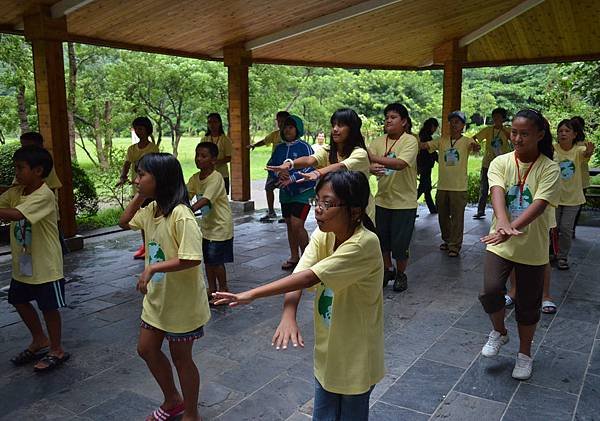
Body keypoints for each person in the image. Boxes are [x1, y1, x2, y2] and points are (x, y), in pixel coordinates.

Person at [213, 171, 384, 421]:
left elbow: (308, 278)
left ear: (355, 210)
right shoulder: (325, 234)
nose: (318, 210)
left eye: (328, 203)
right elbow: (301, 270)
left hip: (356, 356)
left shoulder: (364, 244)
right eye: (317, 201)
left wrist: (249, 294)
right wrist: (288, 312)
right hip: (328, 351)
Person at [119, 152, 210, 421]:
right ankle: (172, 400)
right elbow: (123, 222)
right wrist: (140, 194)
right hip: (157, 300)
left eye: (141, 175)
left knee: (182, 359)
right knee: (146, 349)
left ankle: (191, 414)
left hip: (182, 304)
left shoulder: (181, 214)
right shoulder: (150, 210)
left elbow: (191, 259)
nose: (136, 180)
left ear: (161, 179)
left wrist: (152, 267)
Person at [479, 109, 559, 381]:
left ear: (539, 135)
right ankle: (500, 332)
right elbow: (497, 192)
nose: (517, 138)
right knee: (491, 291)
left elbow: (539, 205)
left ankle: (524, 355)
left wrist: (513, 228)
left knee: (527, 305)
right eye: (514, 132)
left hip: (532, 247)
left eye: (524, 134)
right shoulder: (501, 161)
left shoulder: (549, 167)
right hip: (499, 242)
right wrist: (503, 224)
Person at [1, 145, 69, 372]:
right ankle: (40, 339)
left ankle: (56, 348)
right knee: (18, 300)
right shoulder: (17, 191)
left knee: (48, 307)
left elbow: (16, 214)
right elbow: (5, 199)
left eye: (20, 168)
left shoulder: (44, 195)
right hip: (24, 263)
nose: (16, 173)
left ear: (38, 171)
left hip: (46, 265)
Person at [267, 108, 374, 223]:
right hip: (337, 211)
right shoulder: (328, 150)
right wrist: (290, 164)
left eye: (341, 125)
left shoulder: (360, 153)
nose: (335, 129)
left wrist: (317, 173)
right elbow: (309, 160)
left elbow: (341, 166)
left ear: (352, 129)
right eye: (333, 125)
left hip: (360, 213)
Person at [369, 103, 419, 292]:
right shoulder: (378, 141)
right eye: (387, 117)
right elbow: (367, 162)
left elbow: (400, 164)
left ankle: (400, 273)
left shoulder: (410, 141)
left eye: (393, 117)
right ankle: (387, 269)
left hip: (404, 203)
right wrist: (370, 164)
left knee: (401, 244)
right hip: (382, 200)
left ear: (404, 122)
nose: (388, 120)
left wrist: (373, 157)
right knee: (382, 240)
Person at [420, 111, 480, 257]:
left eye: (457, 122)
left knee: (457, 218)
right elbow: (424, 146)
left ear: (463, 126)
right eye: (451, 122)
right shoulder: (441, 140)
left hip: (459, 187)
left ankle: (455, 246)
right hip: (443, 186)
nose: (453, 125)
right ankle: (447, 240)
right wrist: (409, 137)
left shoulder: (466, 141)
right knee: (443, 216)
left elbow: (475, 147)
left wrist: (475, 146)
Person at [187, 142, 234, 305]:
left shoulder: (216, 178)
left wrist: (188, 210)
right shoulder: (195, 178)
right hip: (207, 227)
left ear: (213, 160)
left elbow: (205, 200)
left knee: (217, 261)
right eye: (197, 155)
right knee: (208, 260)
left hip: (221, 226)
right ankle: (212, 290)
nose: (198, 159)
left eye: (203, 156)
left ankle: (223, 289)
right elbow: (185, 194)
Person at [267, 115, 316, 271]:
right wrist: (278, 175)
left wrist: (293, 178)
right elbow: (270, 166)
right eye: (285, 127)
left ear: (298, 129)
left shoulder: (304, 146)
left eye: (291, 127)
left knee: (297, 224)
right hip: (285, 192)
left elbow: (311, 166)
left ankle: (307, 259)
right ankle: (294, 257)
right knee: (289, 224)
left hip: (303, 191)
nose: (287, 130)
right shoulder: (279, 148)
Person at [553, 119, 594, 270]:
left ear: (574, 134)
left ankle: (562, 257)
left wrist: (589, 152)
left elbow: (586, 154)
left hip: (573, 198)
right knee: (553, 227)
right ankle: (552, 253)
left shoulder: (577, 151)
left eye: (567, 131)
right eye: (560, 131)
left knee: (565, 229)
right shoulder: (553, 149)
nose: (563, 133)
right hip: (554, 197)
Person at [116, 117, 160, 260]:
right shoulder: (132, 149)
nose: (138, 131)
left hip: (151, 189)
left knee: (152, 217)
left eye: (141, 128)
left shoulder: (153, 148)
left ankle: (154, 246)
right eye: (136, 129)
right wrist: (123, 177)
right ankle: (146, 246)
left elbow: (157, 167)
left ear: (147, 130)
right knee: (142, 219)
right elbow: (127, 164)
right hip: (138, 189)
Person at [248, 111, 290, 222]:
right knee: (269, 188)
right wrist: (254, 145)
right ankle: (271, 212)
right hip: (274, 167)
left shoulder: (290, 135)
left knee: (285, 190)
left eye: (283, 121)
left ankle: (286, 214)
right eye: (279, 121)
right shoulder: (275, 134)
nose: (280, 123)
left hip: (286, 168)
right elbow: (265, 140)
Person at [473, 108, 512, 219]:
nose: (496, 120)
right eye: (495, 117)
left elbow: (513, 139)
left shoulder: (508, 130)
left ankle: (503, 211)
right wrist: (475, 145)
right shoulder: (488, 130)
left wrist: (503, 130)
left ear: (503, 119)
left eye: (499, 117)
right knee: (484, 188)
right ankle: (481, 210)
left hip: (503, 164)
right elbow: (474, 138)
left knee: (503, 188)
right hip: (487, 163)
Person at [203, 113, 232, 195]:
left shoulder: (225, 139)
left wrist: (216, 162)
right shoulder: (205, 139)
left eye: (214, 122)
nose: (212, 125)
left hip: (222, 174)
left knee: (221, 199)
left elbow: (229, 157)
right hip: (207, 174)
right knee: (208, 198)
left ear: (219, 123)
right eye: (209, 122)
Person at [571, 116, 589, 238]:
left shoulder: (583, 145)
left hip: (580, 180)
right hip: (573, 181)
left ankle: (570, 230)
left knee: (576, 207)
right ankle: (569, 230)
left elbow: (586, 156)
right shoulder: (565, 144)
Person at [416, 118, 439, 215]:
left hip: (423, 164)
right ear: (432, 126)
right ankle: (411, 205)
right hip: (425, 165)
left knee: (426, 187)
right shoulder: (426, 137)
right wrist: (440, 161)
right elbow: (432, 152)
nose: (435, 130)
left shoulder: (422, 134)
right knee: (423, 187)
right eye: (435, 127)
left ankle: (432, 209)